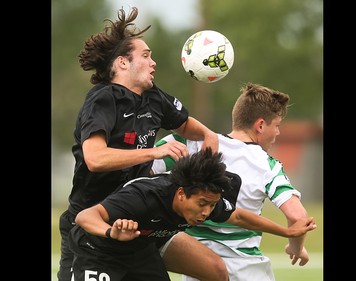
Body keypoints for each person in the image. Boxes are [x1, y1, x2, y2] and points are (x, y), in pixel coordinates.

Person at [57, 7, 219, 281]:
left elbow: (191, 126)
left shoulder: (154, 97)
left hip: (140, 220)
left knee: (215, 271)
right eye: (146, 56)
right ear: (122, 63)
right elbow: (95, 159)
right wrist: (155, 151)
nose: (153, 62)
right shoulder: (103, 99)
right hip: (91, 224)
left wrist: (209, 138)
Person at [70, 148, 316, 281]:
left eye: (212, 205)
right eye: (202, 204)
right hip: (99, 249)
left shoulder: (205, 200)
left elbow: (239, 217)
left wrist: (286, 232)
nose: (206, 212)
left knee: (217, 272)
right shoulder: (142, 197)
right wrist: (110, 231)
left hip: (141, 248)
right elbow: (84, 217)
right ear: (180, 194)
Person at [151, 82, 313, 281]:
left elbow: (141, 172)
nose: (278, 133)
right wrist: (296, 247)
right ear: (260, 125)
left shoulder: (191, 142)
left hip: (196, 266)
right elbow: (298, 216)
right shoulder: (267, 165)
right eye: (277, 126)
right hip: (246, 269)